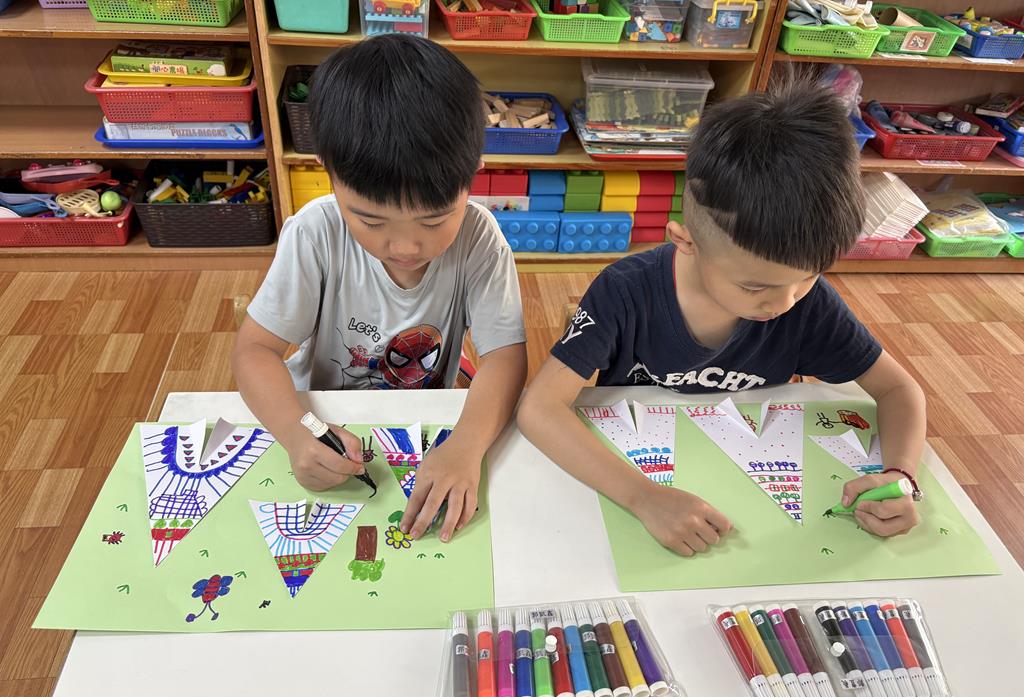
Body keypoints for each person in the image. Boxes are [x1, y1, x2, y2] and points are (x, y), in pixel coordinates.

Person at [517, 81, 926, 556]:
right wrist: (643, 497)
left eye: (808, 277)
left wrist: (900, 475)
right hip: (643, 475)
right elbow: (539, 408)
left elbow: (899, 390)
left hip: (758, 496)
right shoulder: (625, 291)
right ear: (685, 240)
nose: (784, 303)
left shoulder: (809, 304)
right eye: (754, 287)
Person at [233, 36, 527, 543]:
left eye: (434, 221)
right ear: (329, 176)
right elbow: (255, 350)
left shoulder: (480, 238)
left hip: (424, 425)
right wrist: (297, 432)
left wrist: (465, 445)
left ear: (472, 177)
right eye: (371, 221)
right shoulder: (315, 233)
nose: (406, 246)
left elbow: (506, 358)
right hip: (324, 419)